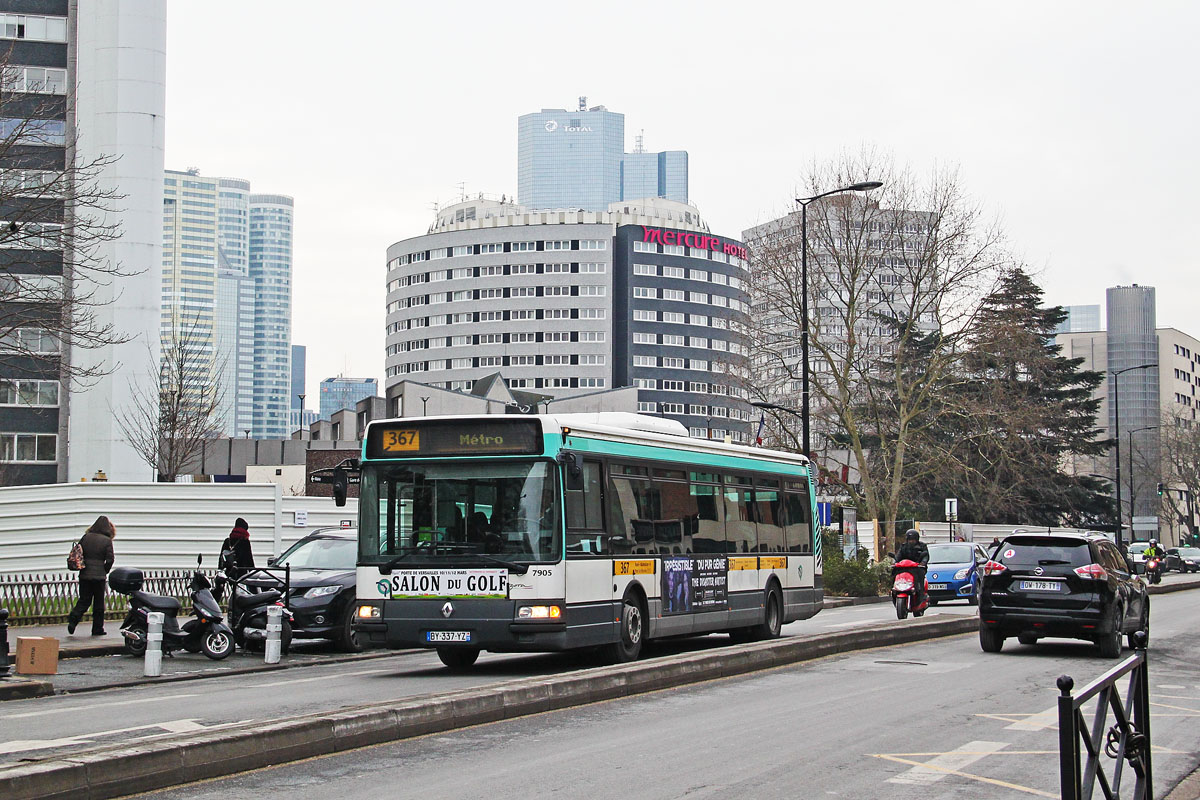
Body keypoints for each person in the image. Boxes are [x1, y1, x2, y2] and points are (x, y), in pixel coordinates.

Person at [67, 515, 116, 636]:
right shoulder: (107, 540)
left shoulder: (86, 537)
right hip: (99, 577)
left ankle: (73, 619)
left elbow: (79, 553)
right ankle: (97, 629)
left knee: (84, 599)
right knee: (98, 603)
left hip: (84, 574)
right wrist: (105, 570)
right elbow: (110, 559)